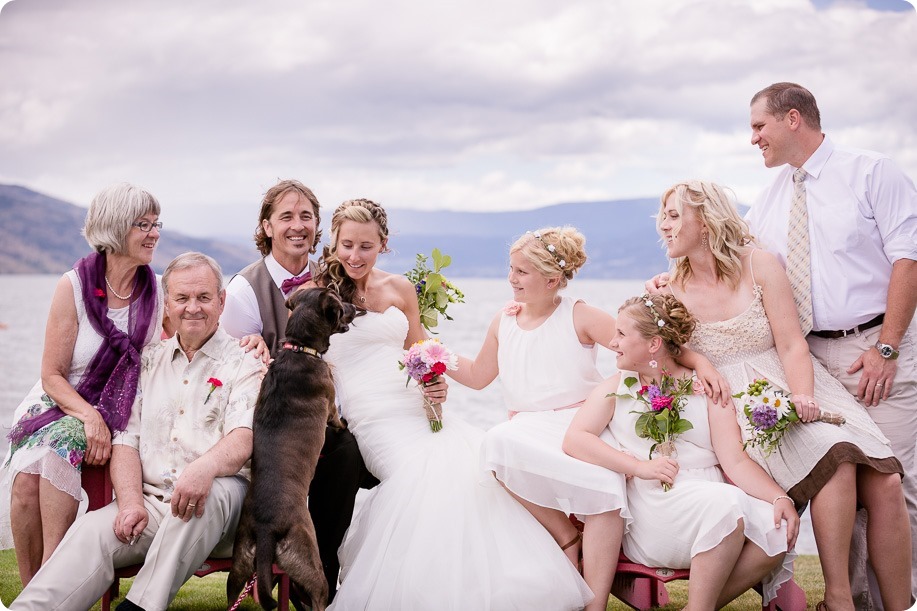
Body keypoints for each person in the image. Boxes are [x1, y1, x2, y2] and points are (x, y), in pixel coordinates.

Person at [316, 199, 593, 610]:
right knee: (423, 476)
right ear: (334, 243)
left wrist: (435, 385)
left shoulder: (399, 289)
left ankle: (501, 584)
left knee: (476, 460)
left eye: (366, 246)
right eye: (347, 245)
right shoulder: (314, 295)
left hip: (415, 408)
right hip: (371, 418)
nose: (355, 256)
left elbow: (420, 351)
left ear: (384, 245)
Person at [654, 179, 910, 611]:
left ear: (706, 219)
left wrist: (803, 395)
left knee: (886, 482)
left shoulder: (760, 266)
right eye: (662, 216)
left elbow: (791, 343)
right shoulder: (666, 291)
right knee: (837, 460)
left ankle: (903, 607)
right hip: (740, 406)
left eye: (674, 215)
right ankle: (838, 599)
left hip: (797, 383)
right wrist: (701, 364)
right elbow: (660, 361)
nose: (664, 225)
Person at [447, 226, 728, 611]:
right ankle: (566, 536)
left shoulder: (578, 314)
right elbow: (479, 376)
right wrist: (435, 354)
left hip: (579, 423)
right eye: (510, 269)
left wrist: (700, 361)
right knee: (494, 445)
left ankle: (593, 602)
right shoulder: (504, 320)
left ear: (552, 279)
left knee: (604, 489)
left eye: (521, 272)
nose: (511, 278)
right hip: (527, 429)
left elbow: (644, 342)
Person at [8, 252, 264, 611]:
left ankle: (140, 606)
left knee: (208, 494)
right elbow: (125, 440)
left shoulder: (246, 361)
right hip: (151, 501)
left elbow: (243, 436)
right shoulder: (145, 361)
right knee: (92, 531)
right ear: (167, 304)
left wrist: (203, 469)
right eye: (182, 298)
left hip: (224, 510)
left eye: (204, 297)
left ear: (221, 302)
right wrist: (129, 502)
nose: (193, 308)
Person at [747, 82, 917, 609]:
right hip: (806, 361)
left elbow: (908, 259)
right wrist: (669, 285)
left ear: (793, 118)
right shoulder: (770, 197)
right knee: (838, 486)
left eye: (759, 126)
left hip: (873, 346)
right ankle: (859, 603)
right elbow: (738, 266)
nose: (753, 139)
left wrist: (886, 349)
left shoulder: (872, 171)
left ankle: (905, 601)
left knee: (896, 484)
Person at [564, 293, 798, 609]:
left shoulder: (707, 386)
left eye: (621, 334)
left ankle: (700, 605)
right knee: (727, 506)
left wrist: (779, 498)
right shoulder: (616, 387)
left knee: (777, 530)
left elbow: (736, 460)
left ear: (653, 345)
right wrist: (637, 467)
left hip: (712, 501)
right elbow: (576, 439)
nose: (613, 341)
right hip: (655, 505)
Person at [0, 183, 164, 586]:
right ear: (114, 228)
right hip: (63, 398)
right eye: (143, 224)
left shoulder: (156, 288)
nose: (155, 233)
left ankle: (56, 578)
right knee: (25, 484)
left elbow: (190, 336)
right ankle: (32, 590)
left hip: (125, 403)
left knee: (60, 446)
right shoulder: (71, 286)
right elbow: (51, 374)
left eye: (156, 223)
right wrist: (89, 415)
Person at [220, 179, 366, 599]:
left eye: (306, 217)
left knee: (348, 453)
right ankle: (304, 575)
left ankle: (322, 577)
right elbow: (228, 367)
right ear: (266, 226)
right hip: (270, 422)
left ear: (318, 226)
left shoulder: (331, 280)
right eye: (286, 216)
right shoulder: (245, 289)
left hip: (318, 418)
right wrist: (250, 348)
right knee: (339, 453)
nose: (297, 226)